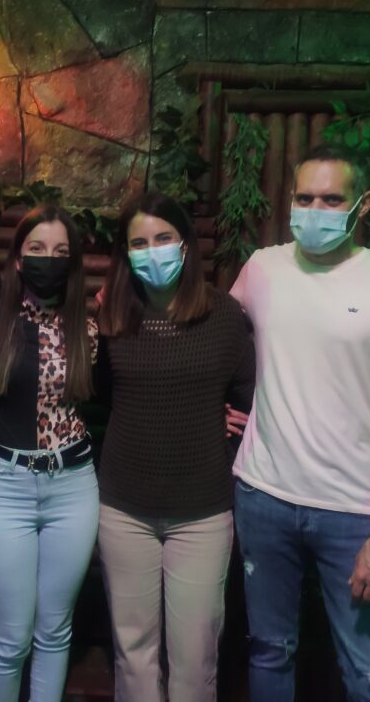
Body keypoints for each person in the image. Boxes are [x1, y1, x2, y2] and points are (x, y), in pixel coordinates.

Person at [227, 143, 370, 702]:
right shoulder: (261, 269)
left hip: (357, 512)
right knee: (268, 652)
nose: (314, 211)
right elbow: (219, 344)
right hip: (262, 495)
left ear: (363, 204)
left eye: (331, 200)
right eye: (304, 198)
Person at [95, 192, 255, 702]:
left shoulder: (224, 315)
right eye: (139, 243)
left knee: (195, 659)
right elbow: (97, 394)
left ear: (185, 244)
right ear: (125, 253)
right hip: (123, 508)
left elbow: (249, 398)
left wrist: (234, 419)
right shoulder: (111, 315)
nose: (152, 251)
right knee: (133, 653)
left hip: (202, 512)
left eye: (163, 238)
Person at [0, 206, 99, 702]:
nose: (50, 259)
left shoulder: (90, 327)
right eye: (38, 249)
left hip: (73, 485)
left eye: (61, 252)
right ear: (19, 260)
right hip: (6, 486)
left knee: (54, 630)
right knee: (10, 636)